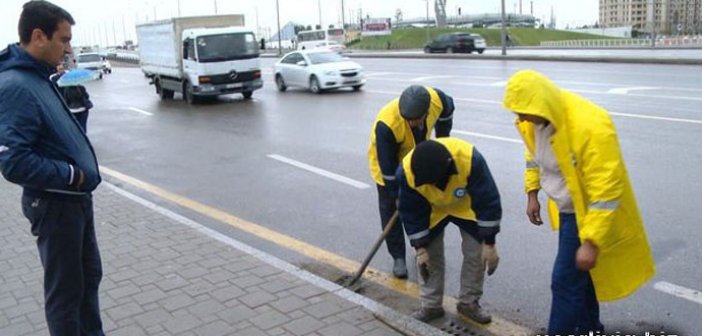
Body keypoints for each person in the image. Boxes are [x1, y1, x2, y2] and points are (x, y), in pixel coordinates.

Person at [502, 69, 655, 334]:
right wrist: (532, 193)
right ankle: (590, 328)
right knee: (580, 282)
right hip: (565, 209)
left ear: (540, 104)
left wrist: (591, 241)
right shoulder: (534, 121)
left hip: (585, 214)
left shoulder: (591, 124)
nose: (519, 117)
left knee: (564, 283)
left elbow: (606, 189)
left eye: (522, 111)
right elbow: (533, 156)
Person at [0, 1, 105, 335]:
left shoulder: (41, 78)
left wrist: (77, 104)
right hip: (55, 204)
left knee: (88, 280)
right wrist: (73, 175)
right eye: (64, 39)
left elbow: (58, 135)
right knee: (66, 295)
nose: (69, 48)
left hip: (73, 202)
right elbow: (14, 161)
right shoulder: (16, 85)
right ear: (38, 36)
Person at [396, 138, 501, 323]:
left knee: (476, 254)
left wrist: (490, 243)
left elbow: (487, 202)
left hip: (467, 207)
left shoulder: (470, 160)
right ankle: (431, 306)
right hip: (432, 210)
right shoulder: (406, 173)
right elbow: (411, 212)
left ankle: (468, 303)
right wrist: (420, 248)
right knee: (429, 259)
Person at [368, 85, 454, 279]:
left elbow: (449, 110)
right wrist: (397, 196)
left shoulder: (436, 100)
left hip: (417, 161)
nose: (411, 123)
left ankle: (422, 250)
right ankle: (398, 256)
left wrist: (442, 140)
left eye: (415, 119)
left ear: (426, 112)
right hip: (387, 167)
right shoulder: (387, 125)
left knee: (421, 207)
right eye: (408, 119)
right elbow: (388, 169)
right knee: (392, 212)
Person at [51, 54, 93, 132]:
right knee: (83, 128)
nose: (60, 68)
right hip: (83, 110)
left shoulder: (64, 87)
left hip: (71, 110)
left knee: (74, 129)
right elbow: (86, 96)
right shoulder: (80, 88)